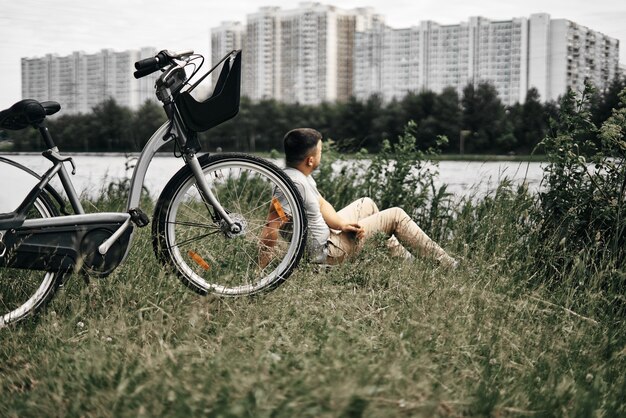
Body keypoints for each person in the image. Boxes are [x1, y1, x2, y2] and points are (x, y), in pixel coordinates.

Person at [260, 128, 458, 268]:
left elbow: (321, 203)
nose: (321, 155)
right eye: (320, 152)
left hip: (330, 236)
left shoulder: (298, 175)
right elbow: (272, 225)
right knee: (396, 215)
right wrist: (260, 272)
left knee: (367, 204)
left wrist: (342, 225)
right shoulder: (294, 185)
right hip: (327, 252)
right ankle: (447, 265)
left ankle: (408, 264)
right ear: (310, 160)